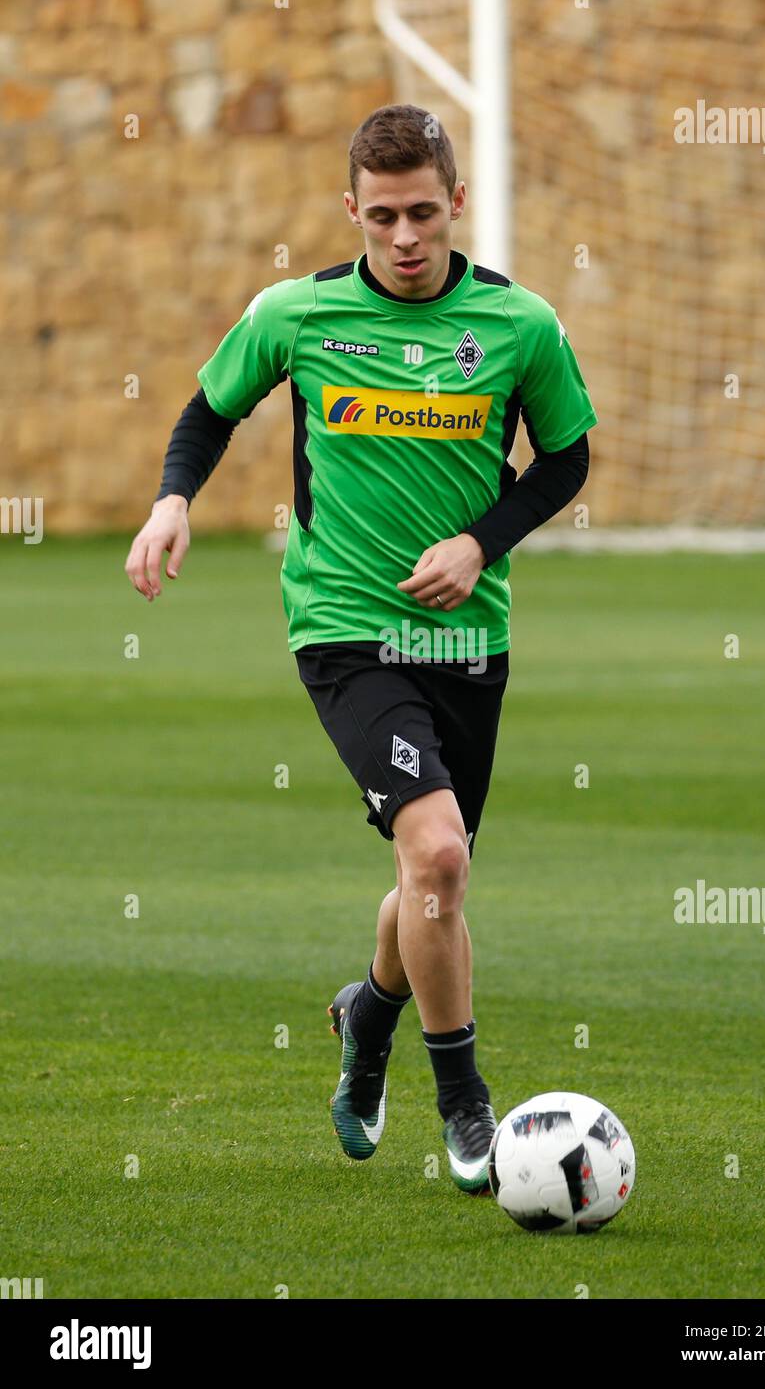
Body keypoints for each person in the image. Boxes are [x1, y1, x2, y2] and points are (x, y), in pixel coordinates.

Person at [124, 103, 597, 1195]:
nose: (403, 236)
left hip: (469, 637)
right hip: (344, 628)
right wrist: (171, 503)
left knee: (433, 879)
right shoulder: (296, 313)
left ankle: (367, 1013)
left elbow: (565, 460)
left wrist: (480, 542)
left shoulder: (520, 327)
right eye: (381, 215)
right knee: (435, 855)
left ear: (456, 205)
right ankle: (467, 1103)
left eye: (422, 212)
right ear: (351, 212)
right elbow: (208, 411)